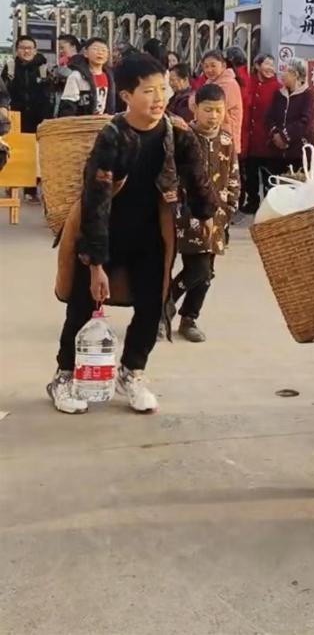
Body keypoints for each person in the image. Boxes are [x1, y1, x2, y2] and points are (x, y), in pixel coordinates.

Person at [49, 53, 218, 415]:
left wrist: (206, 213)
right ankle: (64, 376)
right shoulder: (112, 136)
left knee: (151, 307)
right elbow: (95, 202)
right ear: (126, 95)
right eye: (148, 91)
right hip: (103, 232)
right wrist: (96, 264)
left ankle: (132, 372)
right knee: (82, 305)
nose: (158, 98)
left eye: (163, 89)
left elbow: (196, 173)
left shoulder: (175, 131)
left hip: (150, 234)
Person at [169, 84, 239, 342]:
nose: (213, 116)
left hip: (218, 215)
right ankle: (165, 305)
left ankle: (189, 319)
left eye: (218, 110)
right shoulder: (183, 136)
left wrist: (229, 209)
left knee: (207, 274)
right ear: (194, 108)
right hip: (188, 215)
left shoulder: (226, 140)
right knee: (198, 269)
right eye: (208, 110)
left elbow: (233, 177)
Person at [1, 35, 52, 199]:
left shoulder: (44, 68)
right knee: (14, 150)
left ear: (35, 50)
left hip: (39, 116)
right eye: (23, 47)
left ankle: (31, 189)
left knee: (36, 153)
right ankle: (12, 185)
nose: (27, 51)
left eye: (30, 47)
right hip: (16, 115)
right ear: (17, 50)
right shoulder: (10, 68)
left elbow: (52, 92)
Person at [266, 58, 314, 179]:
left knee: (298, 188)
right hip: (278, 153)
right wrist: (275, 135)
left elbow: (306, 122)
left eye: (286, 72)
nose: (282, 75)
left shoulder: (309, 96)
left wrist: (284, 136)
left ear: (296, 75)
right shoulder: (279, 94)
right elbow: (269, 117)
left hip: (300, 153)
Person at [243, 53, 281, 213]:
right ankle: (252, 202)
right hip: (250, 139)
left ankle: (269, 205)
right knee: (250, 175)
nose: (270, 68)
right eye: (266, 64)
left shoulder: (278, 87)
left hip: (268, 140)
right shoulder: (249, 83)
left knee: (269, 176)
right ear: (257, 66)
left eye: (272, 65)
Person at [58, 37, 115, 117]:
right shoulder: (76, 76)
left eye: (104, 50)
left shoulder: (110, 77)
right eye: (95, 49)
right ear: (86, 53)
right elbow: (68, 105)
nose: (100, 53)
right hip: (82, 125)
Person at [225, 46, 252, 207]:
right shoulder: (245, 76)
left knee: (232, 170)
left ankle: (235, 203)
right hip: (243, 127)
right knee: (239, 169)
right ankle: (238, 202)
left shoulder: (231, 78)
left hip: (233, 127)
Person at [200, 50, 243, 154]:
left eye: (213, 66)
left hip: (226, 138)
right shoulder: (210, 83)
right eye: (206, 66)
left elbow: (208, 105)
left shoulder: (229, 84)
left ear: (223, 66)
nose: (209, 69)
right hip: (213, 136)